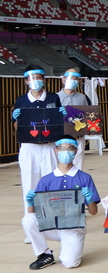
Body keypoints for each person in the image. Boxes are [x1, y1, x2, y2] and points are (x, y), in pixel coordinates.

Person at [22, 138, 99, 269]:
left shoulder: (85, 178)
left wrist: (90, 200)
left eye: (70, 148)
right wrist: (30, 203)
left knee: (70, 263)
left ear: (76, 151)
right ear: (56, 151)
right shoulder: (46, 180)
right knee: (28, 220)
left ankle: (69, 247)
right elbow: (33, 212)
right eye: (62, 148)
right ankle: (44, 254)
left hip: (73, 226)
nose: (66, 152)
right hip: (51, 225)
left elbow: (93, 212)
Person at [12, 66, 61, 214]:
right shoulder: (21, 100)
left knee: (52, 184)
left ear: (44, 79)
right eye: (32, 78)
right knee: (29, 184)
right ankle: (31, 222)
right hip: (29, 147)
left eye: (39, 77)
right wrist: (15, 119)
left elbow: (59, 123)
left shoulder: (53, 98)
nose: (36, 81)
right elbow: (16, 127)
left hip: (49, 146)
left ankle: (52, 220)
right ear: (26, 81)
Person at [56, 68, 90, 169]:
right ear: (63, 80)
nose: (74, 81)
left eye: (76, 79)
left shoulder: (82, 97)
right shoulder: (56, 97)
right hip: (61, 137)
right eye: (71, 78)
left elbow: (86, 115)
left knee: (78, 164)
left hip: (78, 137)